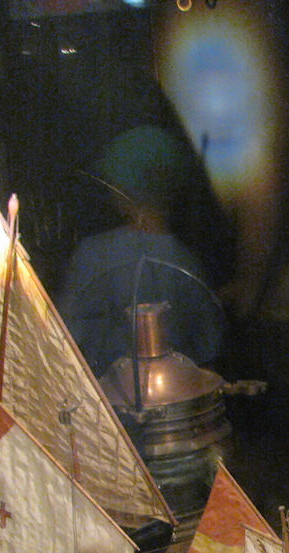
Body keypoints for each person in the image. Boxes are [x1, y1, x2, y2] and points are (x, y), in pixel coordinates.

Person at [57, 125, 226, 379]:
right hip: (175, 397)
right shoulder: (187, 262)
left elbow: (67, 341)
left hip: (106, 399)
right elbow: (207, 356)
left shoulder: (93, 255)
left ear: (121, 189)